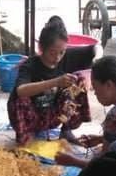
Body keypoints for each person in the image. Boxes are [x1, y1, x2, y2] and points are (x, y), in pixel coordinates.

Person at [7, 16, 94, 146]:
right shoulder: (30, 65)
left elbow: (95, 49)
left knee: (78, 81)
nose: (57, 58)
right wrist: (55, 82)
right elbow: (20, 91)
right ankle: (25, 139)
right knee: (20, 99)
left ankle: (66, 130)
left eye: (62, 52)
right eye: (52, 53)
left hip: (52, 117)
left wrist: (90, 69)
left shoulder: (66, 57)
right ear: (41, 48)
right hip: (30, 117)